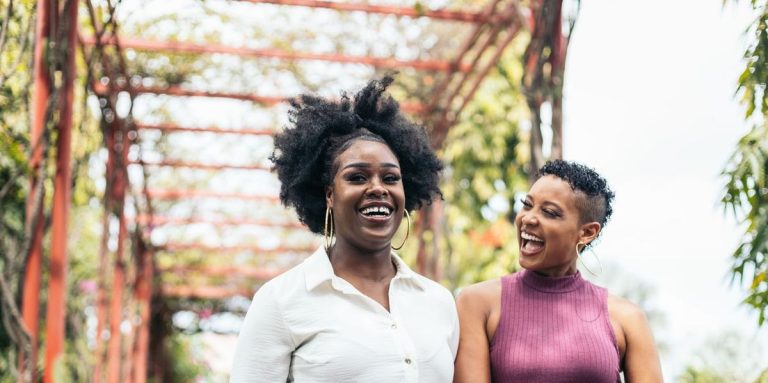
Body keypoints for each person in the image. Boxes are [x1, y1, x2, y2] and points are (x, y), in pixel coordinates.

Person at [230, 75, 459, 383]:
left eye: (391, 178)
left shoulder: (438, 302)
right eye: (357, 177)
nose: (378, 188)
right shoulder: (281, 300)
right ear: (328, 194)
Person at [453, 160, 663, 383]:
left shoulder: (627, 318)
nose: (528, 218)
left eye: (549, 213)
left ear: (587, 233)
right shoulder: (477, 303)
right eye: (527, 204)